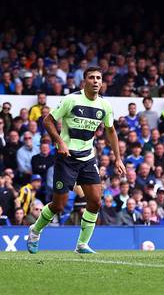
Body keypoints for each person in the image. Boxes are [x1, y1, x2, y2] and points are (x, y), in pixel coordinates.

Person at [27, 66, 126, 254]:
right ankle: (35, 230)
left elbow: (111, 131)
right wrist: (59, 142)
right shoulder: (71, 100)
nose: (96, 81)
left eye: (99, 78)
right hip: (66, 158)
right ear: (84, 81)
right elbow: (48, 121)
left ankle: (81, 245)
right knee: (59, 205)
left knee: (96, 201)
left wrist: (118, 159)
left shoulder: (104, 106)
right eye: (92, 78)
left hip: (88, 158)